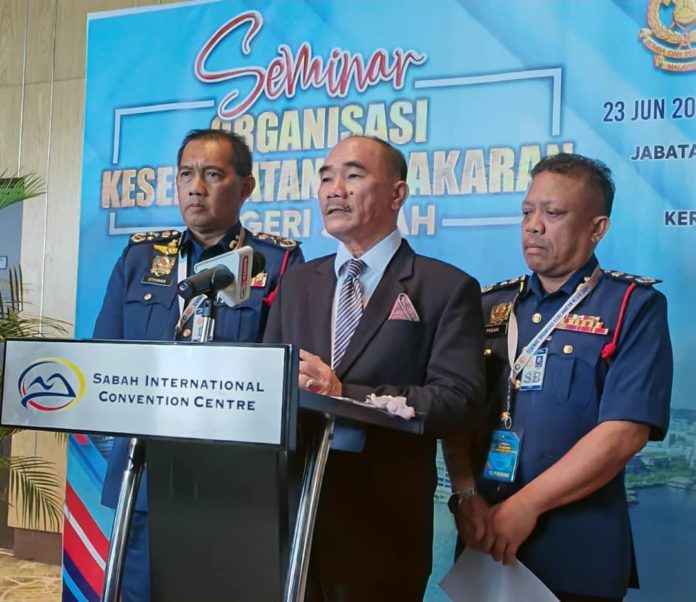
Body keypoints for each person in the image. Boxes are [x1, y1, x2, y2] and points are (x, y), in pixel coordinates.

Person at [263, 135, 486, 602]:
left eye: (353, 175)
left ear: (397, 194)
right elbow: (270, 390)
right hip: (292, 524)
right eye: (326, 178)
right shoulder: (297, 282)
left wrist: (345, 394)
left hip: (381, 533)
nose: (334, 189)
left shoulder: (445, 288)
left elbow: (459, 401)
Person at [444, 153, 672, 602]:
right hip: (482, 539)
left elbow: (625, 432)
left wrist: (525, 506)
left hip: (577, 551)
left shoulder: (632, 306)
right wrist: (465, 495)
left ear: (596, 228)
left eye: (553, 213)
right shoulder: (489, 305)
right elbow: (457, 409)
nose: (533, 226)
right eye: (528, 212)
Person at [93, 128, 304, 602]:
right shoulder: (140, 257)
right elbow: (105, 356)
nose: (195, 187)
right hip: (145, 474)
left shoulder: (277, 263)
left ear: (246, 187)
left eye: (212, 175)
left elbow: (281, 373)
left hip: (233, 483)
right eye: (186, 174)